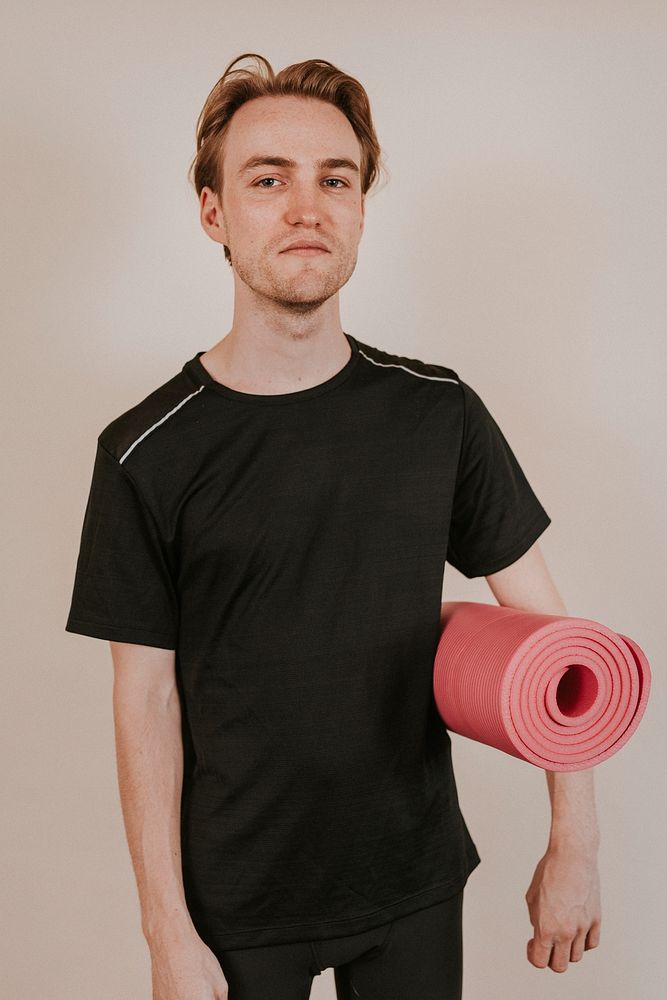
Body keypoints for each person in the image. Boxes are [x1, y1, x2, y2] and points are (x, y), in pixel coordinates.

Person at [65, 53, 601, 1000]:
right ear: (212, 213)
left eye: (335, 180)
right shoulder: (144, 450)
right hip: (234, 900)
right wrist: (166, 935)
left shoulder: (440, 413)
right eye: (267, 179)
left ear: (359, 209)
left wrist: (575, 844)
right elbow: (143, 702)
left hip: (413, 885)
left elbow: (558, 651)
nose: (306, 207)